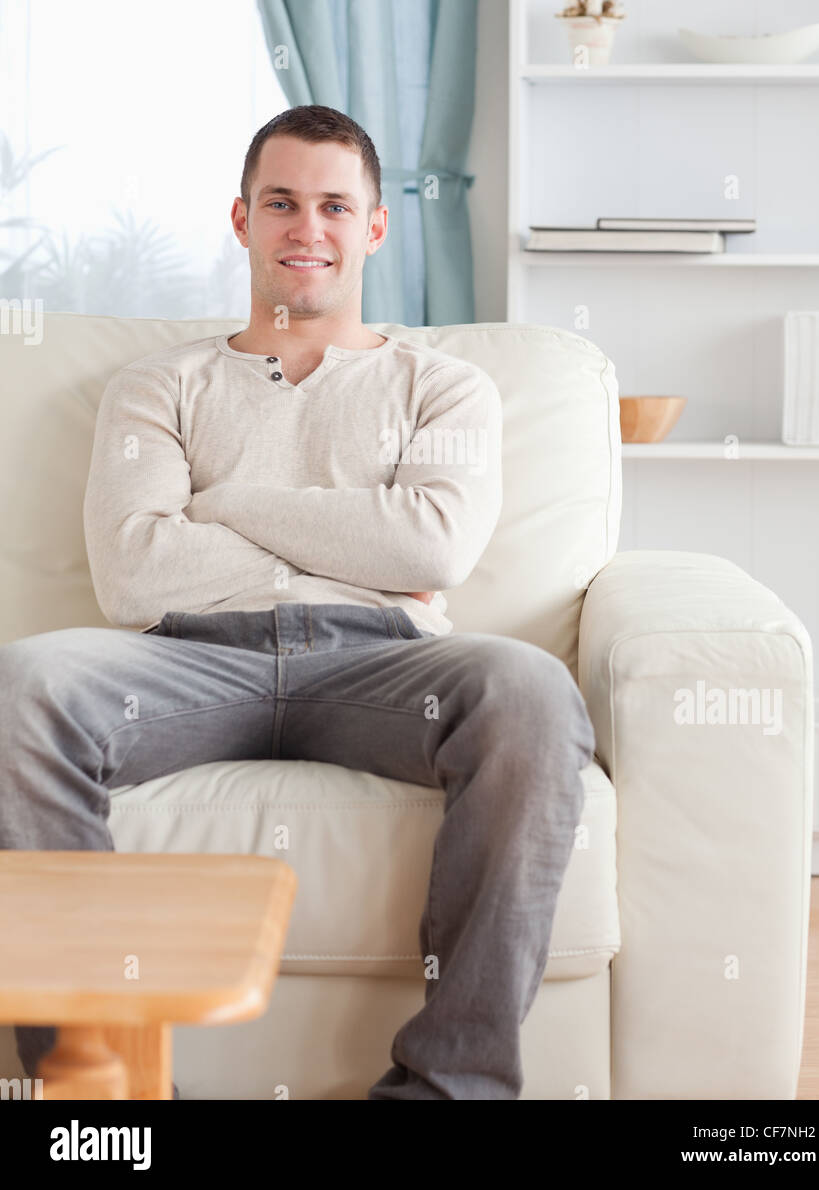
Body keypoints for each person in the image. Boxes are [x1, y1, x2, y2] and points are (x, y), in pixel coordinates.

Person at [1, 104, 595, 1100]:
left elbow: (431, 545)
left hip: (384, 661)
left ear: (373, 227)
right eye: (280, 202)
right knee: (23, 686)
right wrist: (360, 532)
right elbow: (137, 572)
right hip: (187, 658)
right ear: (241, 220)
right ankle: (96, 1086)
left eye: (332, 205)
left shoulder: (446, 389)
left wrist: (225, 501)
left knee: (529, 693)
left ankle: (449, 1086)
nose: (304, 228)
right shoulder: (156, 388)